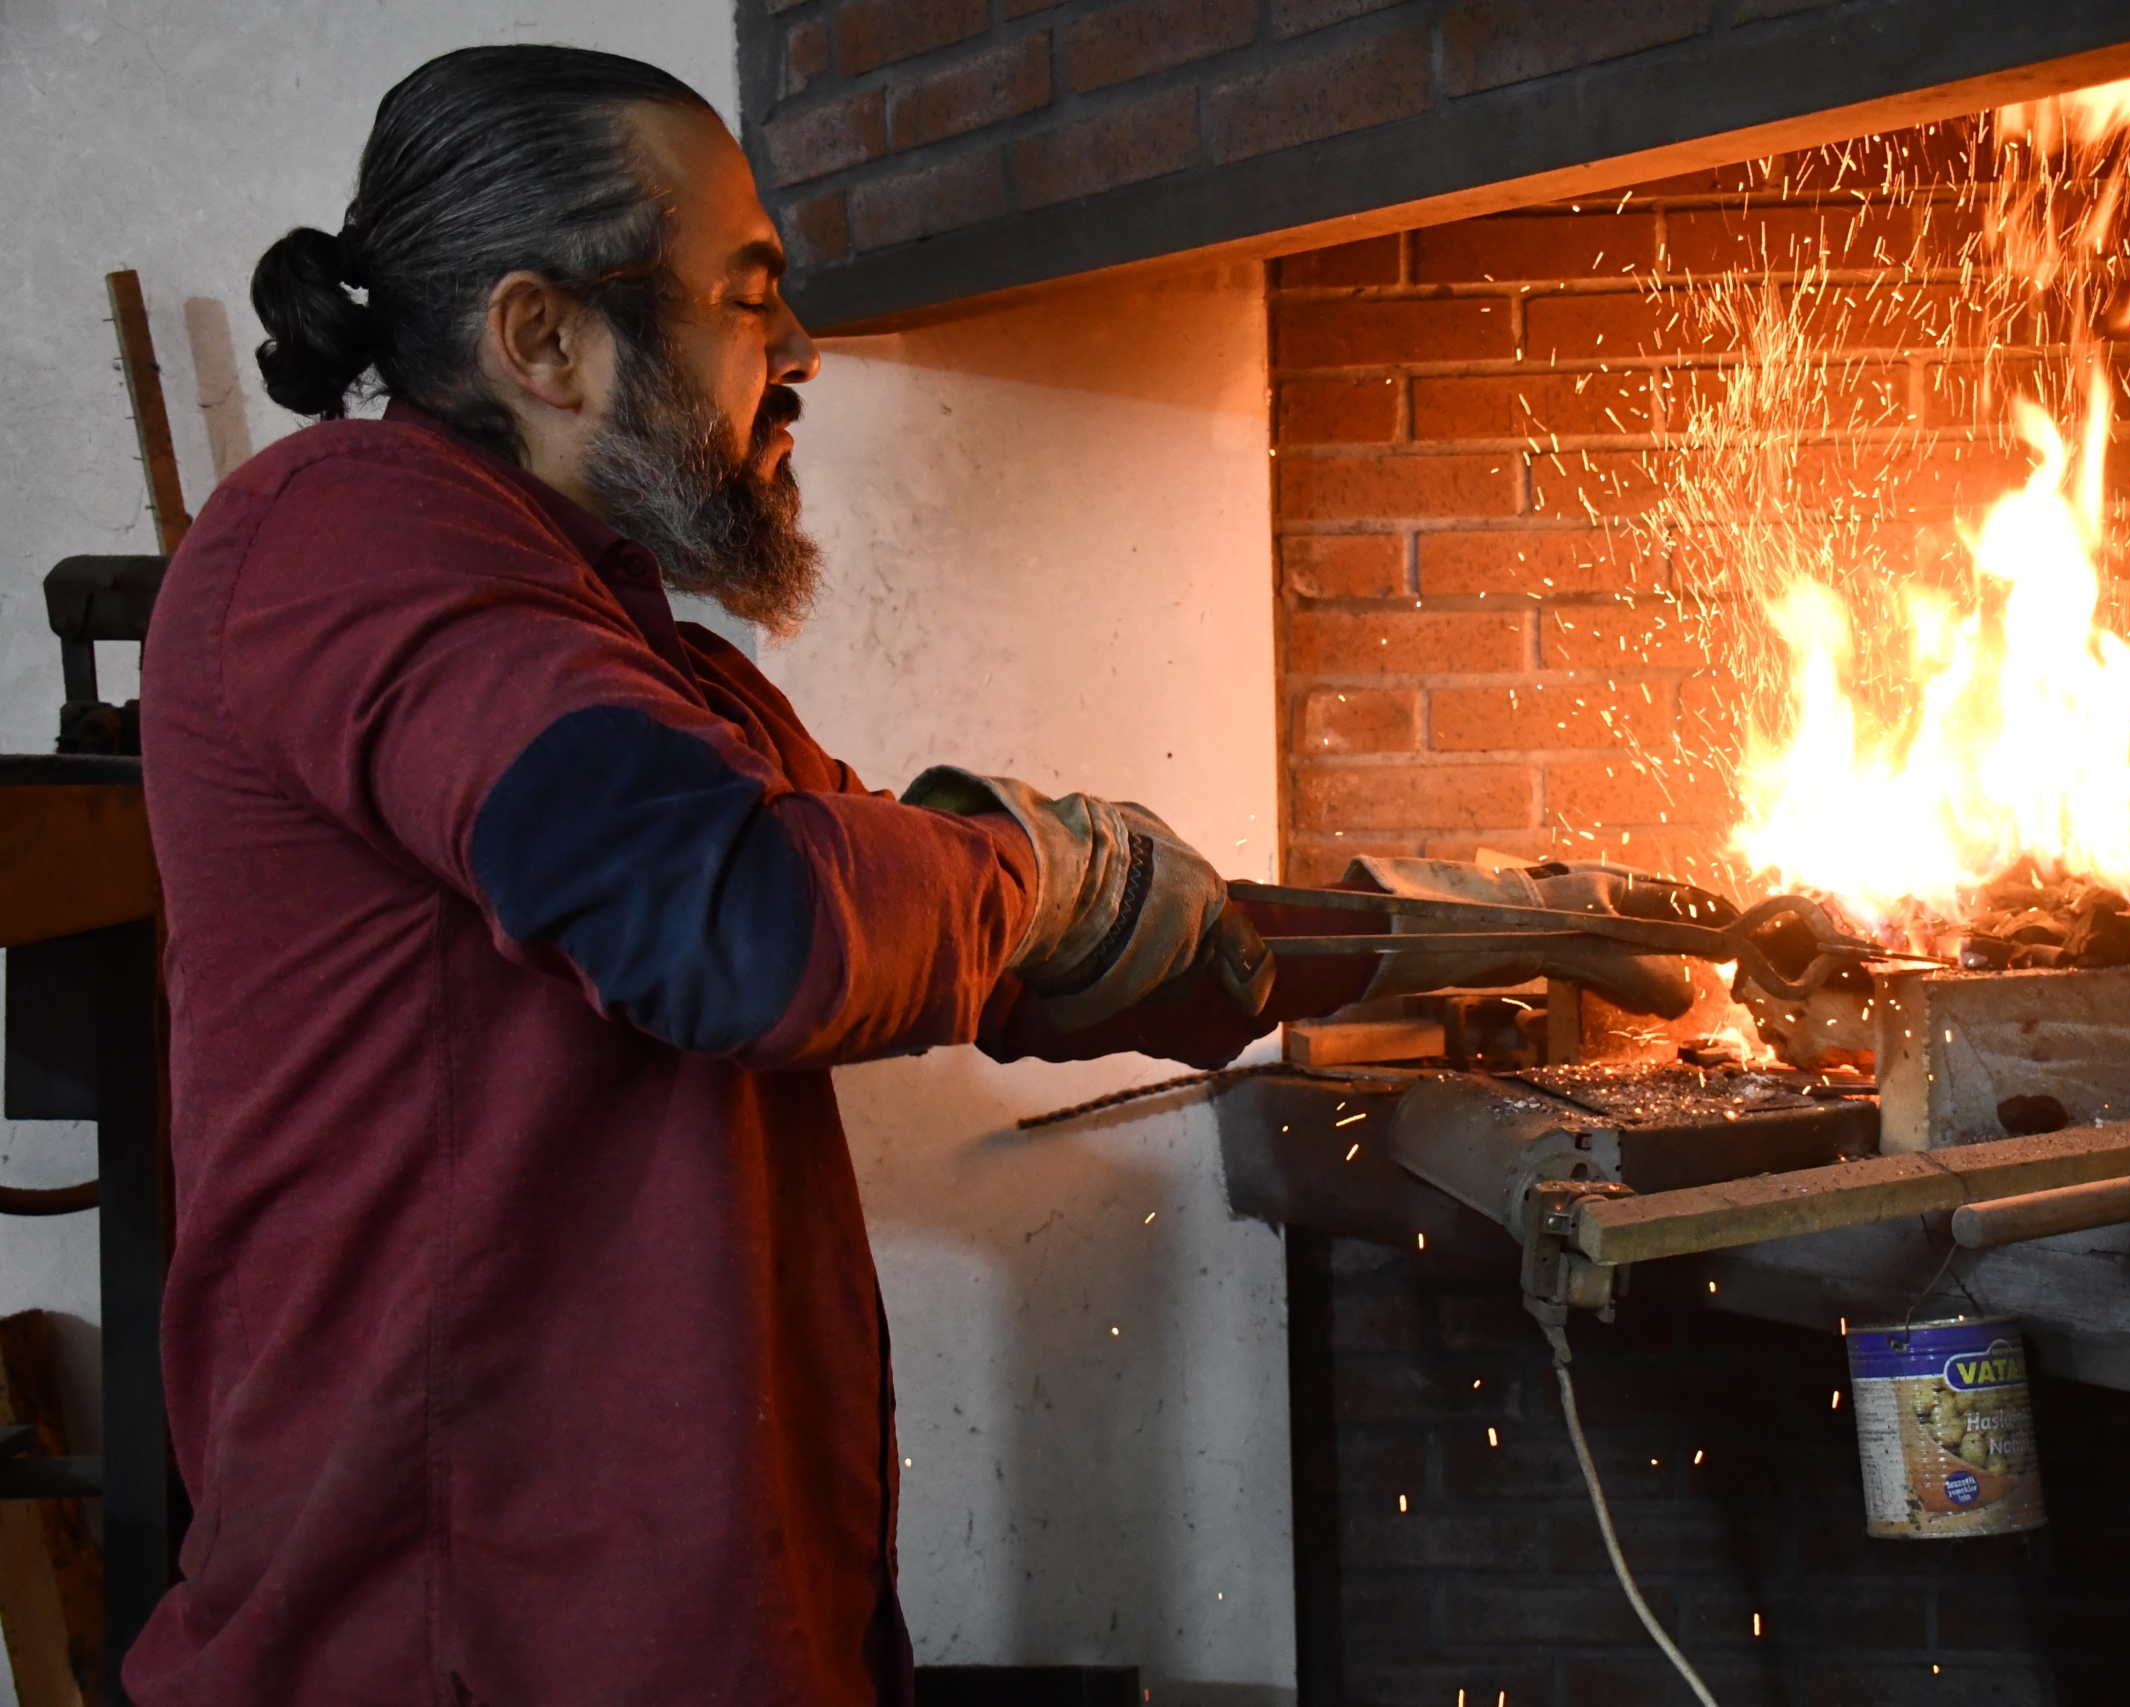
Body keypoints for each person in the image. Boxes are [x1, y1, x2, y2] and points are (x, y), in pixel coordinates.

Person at [134, 45, 1706, 1705]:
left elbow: (1016, 939)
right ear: (544, 339)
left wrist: (1506, 926)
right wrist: (1040, 870)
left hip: (697, 1632)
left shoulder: (638, 659)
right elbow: (748, 928)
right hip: (456, 1647)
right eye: (750, 297)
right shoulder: (344, 541)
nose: (797, 350)